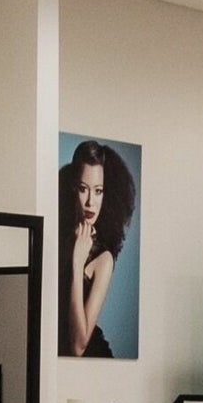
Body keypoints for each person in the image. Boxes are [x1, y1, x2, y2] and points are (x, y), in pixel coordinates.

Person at [59, 138, 137, 360]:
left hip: (93, 363)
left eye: (99, 191)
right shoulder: (57, 237)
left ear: (107, 195)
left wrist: (77, 261)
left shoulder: (104, 259)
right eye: (83, 189)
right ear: (74, 189)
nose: (90, 202)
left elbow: (78, 346)